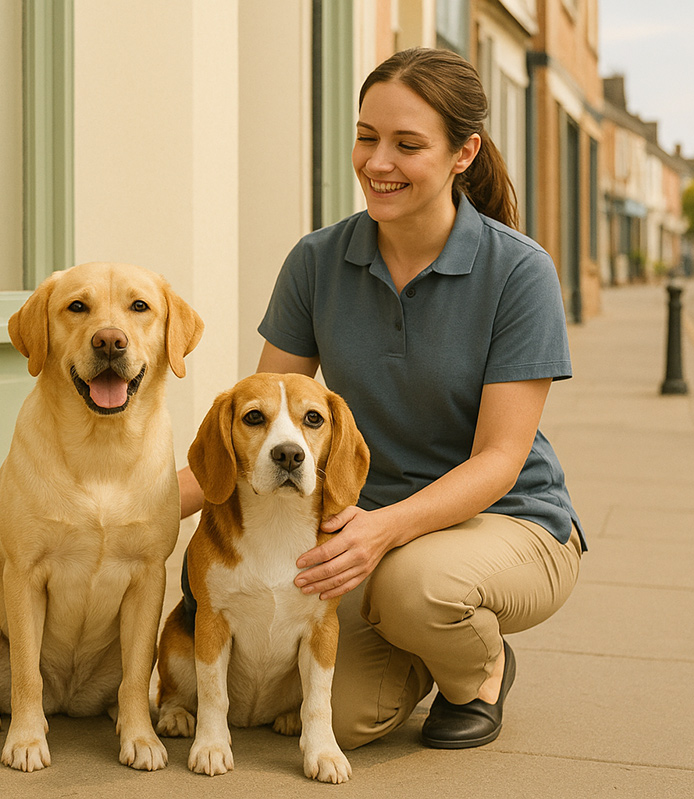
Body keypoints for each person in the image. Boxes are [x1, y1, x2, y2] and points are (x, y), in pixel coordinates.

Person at [178, 47, 584, 750]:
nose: (376, 162)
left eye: (406, 144)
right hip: (363, 525)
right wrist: (130, 507)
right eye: (366, 136)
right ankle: (421, 639)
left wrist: (384, 528)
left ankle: (480, 665)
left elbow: (498, 459)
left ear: (464, 153)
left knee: (413, 592)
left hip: (506, 520)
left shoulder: (519, 271)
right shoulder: (317, 260)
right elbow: (258, 424)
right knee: (333, 717)